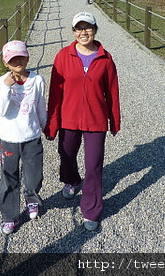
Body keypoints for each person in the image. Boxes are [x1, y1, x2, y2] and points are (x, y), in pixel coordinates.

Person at [45, 12, 121, 231]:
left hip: (96, 120)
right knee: (66, 155)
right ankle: (71, 180)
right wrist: (52, 122)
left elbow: (112, 92)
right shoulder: (63, 56)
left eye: (87, 28)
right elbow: (55, 93)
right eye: (79, 28)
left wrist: (114, 121)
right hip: (68, 118)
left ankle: (91, 209)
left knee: (94, 165)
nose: (83, 32)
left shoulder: (106, 59)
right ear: (73, 32)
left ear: (95, 30)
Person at [0, 40, 47, 234]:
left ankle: (32, 199)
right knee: (9, 177)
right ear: (5, 62)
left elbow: (40, 105)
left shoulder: (37, 80)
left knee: (34, 175)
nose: (18, 61)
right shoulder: (1, 82)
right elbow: (0, 110)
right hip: (9, 138)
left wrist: (44, 124)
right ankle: (9, 215)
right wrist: (7, 88)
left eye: (21, 57)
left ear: (27, 57)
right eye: (12, 59)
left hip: (31, 136)